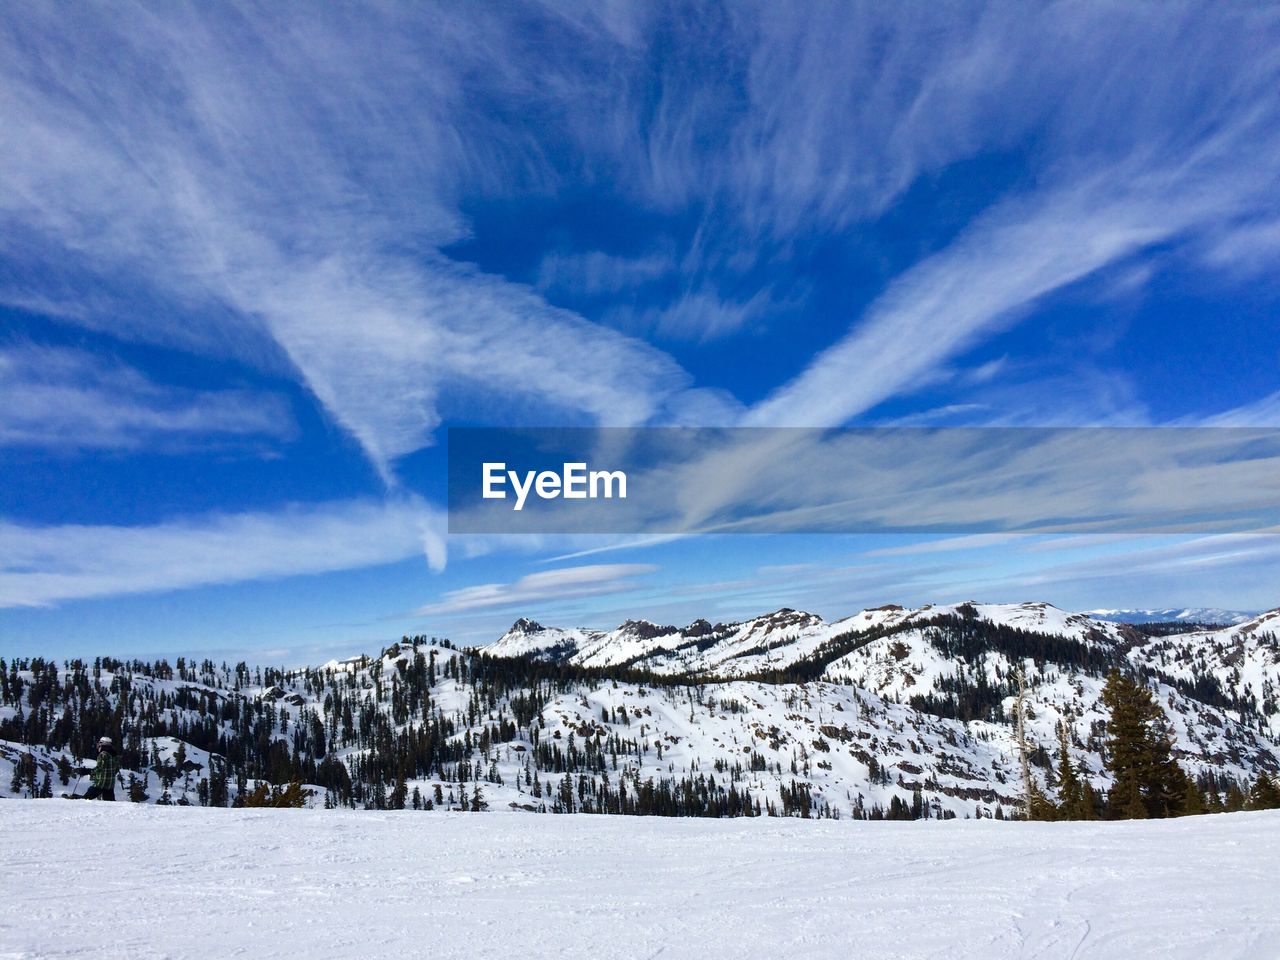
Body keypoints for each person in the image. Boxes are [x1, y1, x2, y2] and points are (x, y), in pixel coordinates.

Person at [83, 736, 121, 801]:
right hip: (110, 785)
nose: (98, 745)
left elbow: (100, 768)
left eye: (99, 743)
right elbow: (117, 769)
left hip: (101, 784)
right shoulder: (115, 755)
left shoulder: (103, 754)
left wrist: (87, 771)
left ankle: (72, 799)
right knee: (110, 803)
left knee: (85, 799)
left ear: (102, 744)